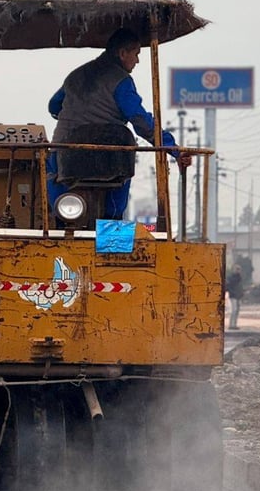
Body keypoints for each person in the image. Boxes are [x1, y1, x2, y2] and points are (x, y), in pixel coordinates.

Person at [47, 28, 193, 220]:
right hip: (108, 156)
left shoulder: (76, 76)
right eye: (136, 54)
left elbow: (53, 106)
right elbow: (141, 122)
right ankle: (112, 225)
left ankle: (59, 221)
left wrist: (76, 116)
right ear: (123, 54)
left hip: (64, 149)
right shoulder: (121, 81)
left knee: (50, 171)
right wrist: (173, 149)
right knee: (121, 168)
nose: (137, 61)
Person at [225, 264, 244, 330]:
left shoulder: (239, 277)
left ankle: (234, 324)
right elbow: (227, 286)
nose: (238, 270)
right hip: (233, 295)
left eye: (239, 269)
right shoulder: (230, 277)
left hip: (238, 296)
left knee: (237, 310)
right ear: (233, 269)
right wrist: (232, 292)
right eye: (237, 269)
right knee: (234, 310)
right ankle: (231, 325)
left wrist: (242, 293)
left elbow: (240, 286)